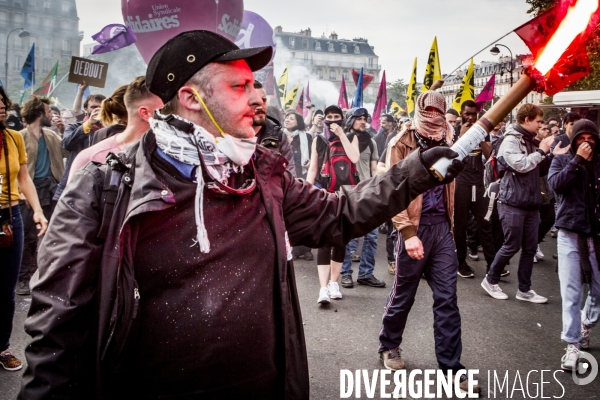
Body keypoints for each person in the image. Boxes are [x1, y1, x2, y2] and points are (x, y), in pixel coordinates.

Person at [18, 30, 463, 399]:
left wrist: (417, 170)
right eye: (240, 86)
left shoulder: (264, 173)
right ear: (191, 97)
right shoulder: (105, 184)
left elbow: (338, 214)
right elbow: (56, 324)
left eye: (255, 85)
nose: (258, 97)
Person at [379, 89, 479, 394]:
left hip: (441, 230)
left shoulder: (450, 140)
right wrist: (407, 233)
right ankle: (389, 345)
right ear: (421, 110)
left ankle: (451, 368)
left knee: (448, 299)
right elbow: (390, 192)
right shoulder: (401, 143)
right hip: (413, 228)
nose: (435, 116)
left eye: (440, 110)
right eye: (430, 110)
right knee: (403, 295)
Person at [482, 104, 568, 302]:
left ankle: (524, 289)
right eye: (538, 121)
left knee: (530, 247)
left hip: (529, 201)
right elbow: (520, 165)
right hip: (512, 201)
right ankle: (490, 279)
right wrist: (542, 151)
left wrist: (551, 155)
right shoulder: (510, 140)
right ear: (527, 120)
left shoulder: (529, 140)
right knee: (511, 245)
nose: (540, 125)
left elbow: (537, 169)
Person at [0, 87, 48, 372]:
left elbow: (23, 177)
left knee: (6, 290)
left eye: (2, 102)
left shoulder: (13, 137)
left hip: (10, 217)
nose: (2, 108)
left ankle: (3, 347)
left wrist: (38, 210)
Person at [548, 119, 600, 371]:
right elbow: (555, 186)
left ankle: (586, 323)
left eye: (592, 137)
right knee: (571, 293)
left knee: (598, 290)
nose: (587, 142)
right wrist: (577, 161)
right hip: (570, 232)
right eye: (582, 137)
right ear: (575, 138)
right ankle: (572, 344)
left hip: (597, 234)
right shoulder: (563, 160)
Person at [306, 105, 359, 304]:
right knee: (324, 240)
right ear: (324, 119)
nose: (333, 120)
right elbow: (313, 168)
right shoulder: (318, 140)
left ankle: (334, 283)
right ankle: (322, 288)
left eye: (337, 117)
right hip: (325, 194)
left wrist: (341, 135)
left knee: (341, 239)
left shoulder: (351, 137)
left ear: (343, 120)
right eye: (329, 117)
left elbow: (354, 158)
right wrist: (306, 194)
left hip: (346, 195)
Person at [17, 96, 66, 295]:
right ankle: (23, 278)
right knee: (27, 236)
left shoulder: (51, 135)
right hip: (27, 192)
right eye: (47, 112)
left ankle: (42, 276)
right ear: (39, 113)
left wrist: (64, 130)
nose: (50, 115)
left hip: (51, 189)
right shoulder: (19, 136)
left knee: (49, 235)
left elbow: (68, 151)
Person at [68, 77, 163, 180]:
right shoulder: (90, 157)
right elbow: (67, 142)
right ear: (145, 113)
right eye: (164, 110)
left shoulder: (174, 152)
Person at [340, 107, 386, 289]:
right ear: (350, 120)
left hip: (368, 194)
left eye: (365, 119)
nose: (363, 121)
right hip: (349, 194)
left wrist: (378, 191)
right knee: (349, 238)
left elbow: (374, 170)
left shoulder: (371, 142)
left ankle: (366, 274)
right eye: (359, 118)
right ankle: (345, 274)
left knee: (372, 237)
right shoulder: (342, 140)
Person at [453, 100, 497, 278]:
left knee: (485, 223)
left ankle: (493, 266)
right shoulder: (454, 131)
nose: (470, 117)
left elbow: (488, 155)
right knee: (460, 225)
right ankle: (461, 263)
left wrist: (481, 137)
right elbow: (450, 156)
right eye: (467, 114)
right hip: (461, 182)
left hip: (478, 182)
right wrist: (460, 138)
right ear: (461, 114)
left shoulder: (482, 131)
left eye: (473, 114)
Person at [54, 92, 106, 200]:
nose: (96, 110)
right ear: (86, 109)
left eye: (100, 107)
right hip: (73, 181)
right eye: (93, 107)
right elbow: (67, 144)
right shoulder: (74, 127)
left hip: (98, 183)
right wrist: (89, 123)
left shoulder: (108, 131)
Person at [252, 81, 295, 176]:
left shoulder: (278, 136)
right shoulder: (230, 134)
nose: (260, 106)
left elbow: (289, 176)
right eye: (255, 101)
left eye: (263, 100)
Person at [283, 110, 312, 180]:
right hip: (285, 173)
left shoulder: (306, 137)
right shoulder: (280, 135)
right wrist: (287, 142)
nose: (287, 120)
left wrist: (311, 161)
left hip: (302, 173)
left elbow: (312, 153)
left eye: (291, 119)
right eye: (287, 118)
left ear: (298, 122)